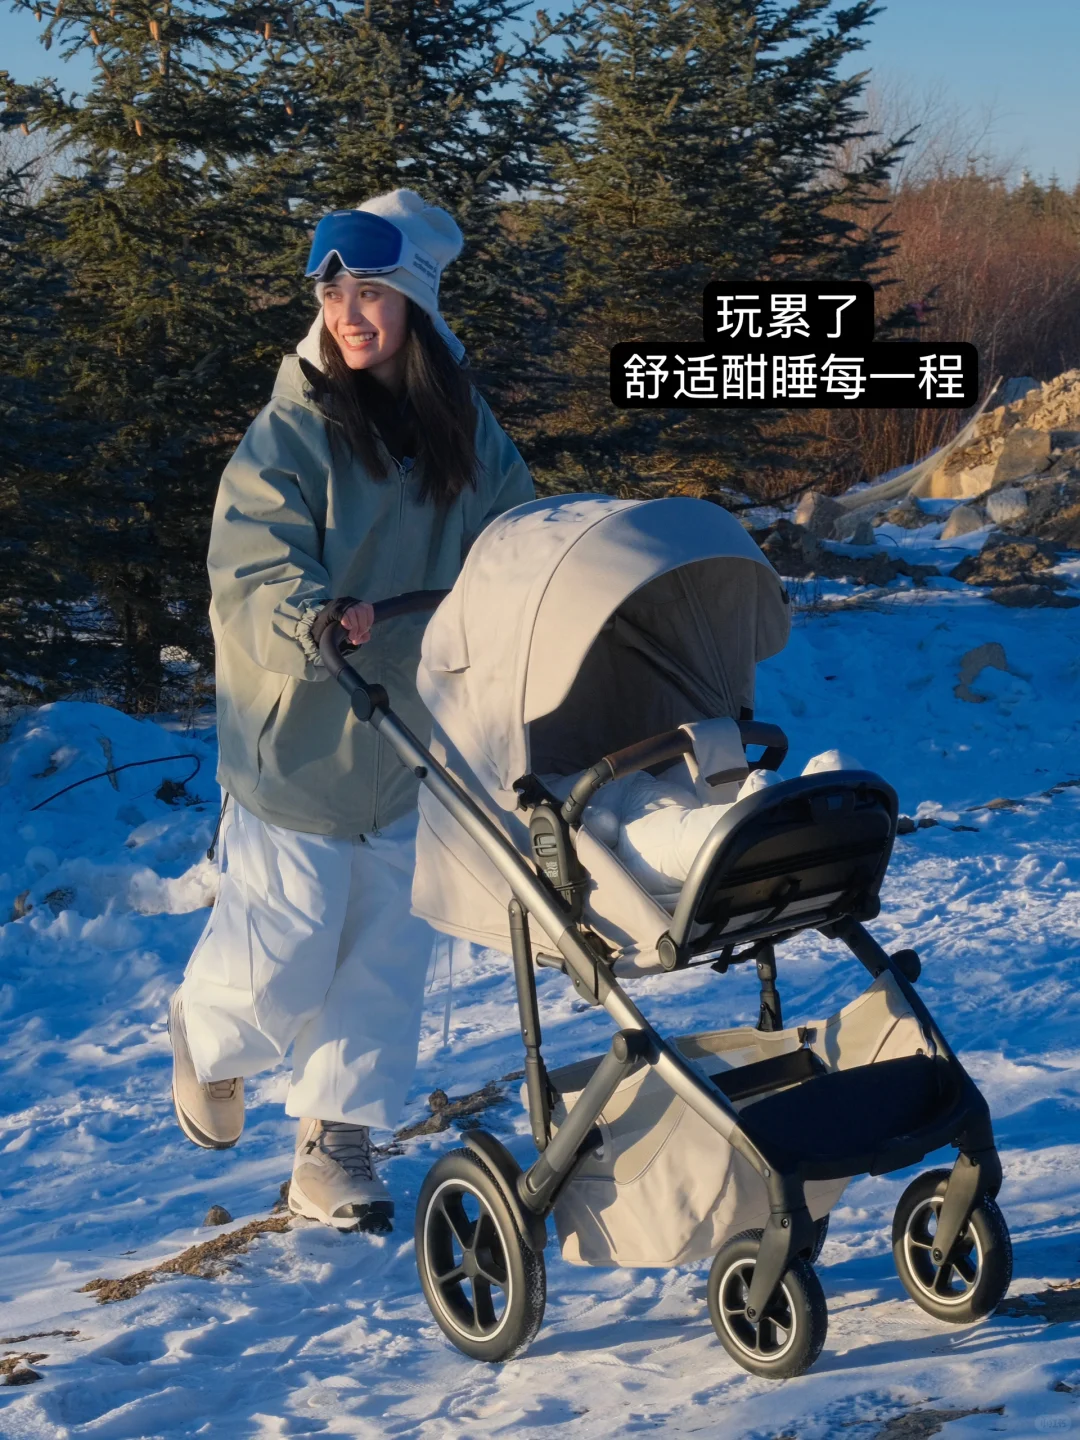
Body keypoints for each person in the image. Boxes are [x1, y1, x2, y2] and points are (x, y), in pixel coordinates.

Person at [168, 189, 536, 1234]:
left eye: (371, 292)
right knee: (283, 951)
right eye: (334, 295)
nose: (348, 314)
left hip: (412, 735)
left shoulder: (461, 428)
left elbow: (516, 527)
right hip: (304, 738)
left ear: (415, 302)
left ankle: (334, 1144)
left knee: (383, 958)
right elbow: (250, 561)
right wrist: (313, 617)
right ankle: (206, 1033)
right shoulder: (291, 429)